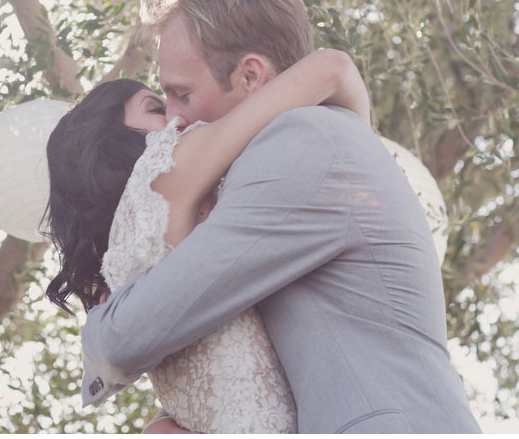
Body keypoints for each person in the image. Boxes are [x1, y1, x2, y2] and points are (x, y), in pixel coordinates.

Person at [77, 0, 481, 433]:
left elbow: (132, 335)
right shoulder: (306, 145)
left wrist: (96, 333)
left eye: (182, 93)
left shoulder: (305, 143)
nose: (175, 118)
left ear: (250, 75)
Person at [45, 48, 369, 432]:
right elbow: (333, 68)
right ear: (110, 142)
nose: (177, 115)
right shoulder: (164, 169)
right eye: (156, 107)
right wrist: (359, 158)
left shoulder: (118, 274)